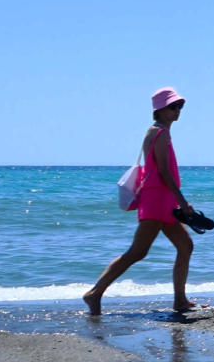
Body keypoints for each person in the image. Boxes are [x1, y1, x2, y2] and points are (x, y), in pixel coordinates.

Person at [84, 88, 201, 315]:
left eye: (180, 106)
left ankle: (180, 301)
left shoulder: (156, 131)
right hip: (158, 200)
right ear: (160, 109)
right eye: (173, 106)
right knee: (138, 251)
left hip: (161, 199)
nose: (178, 111)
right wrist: (183, 202)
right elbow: (165, 172)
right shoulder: (160, 133)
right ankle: (94, 293)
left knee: (185, 246)